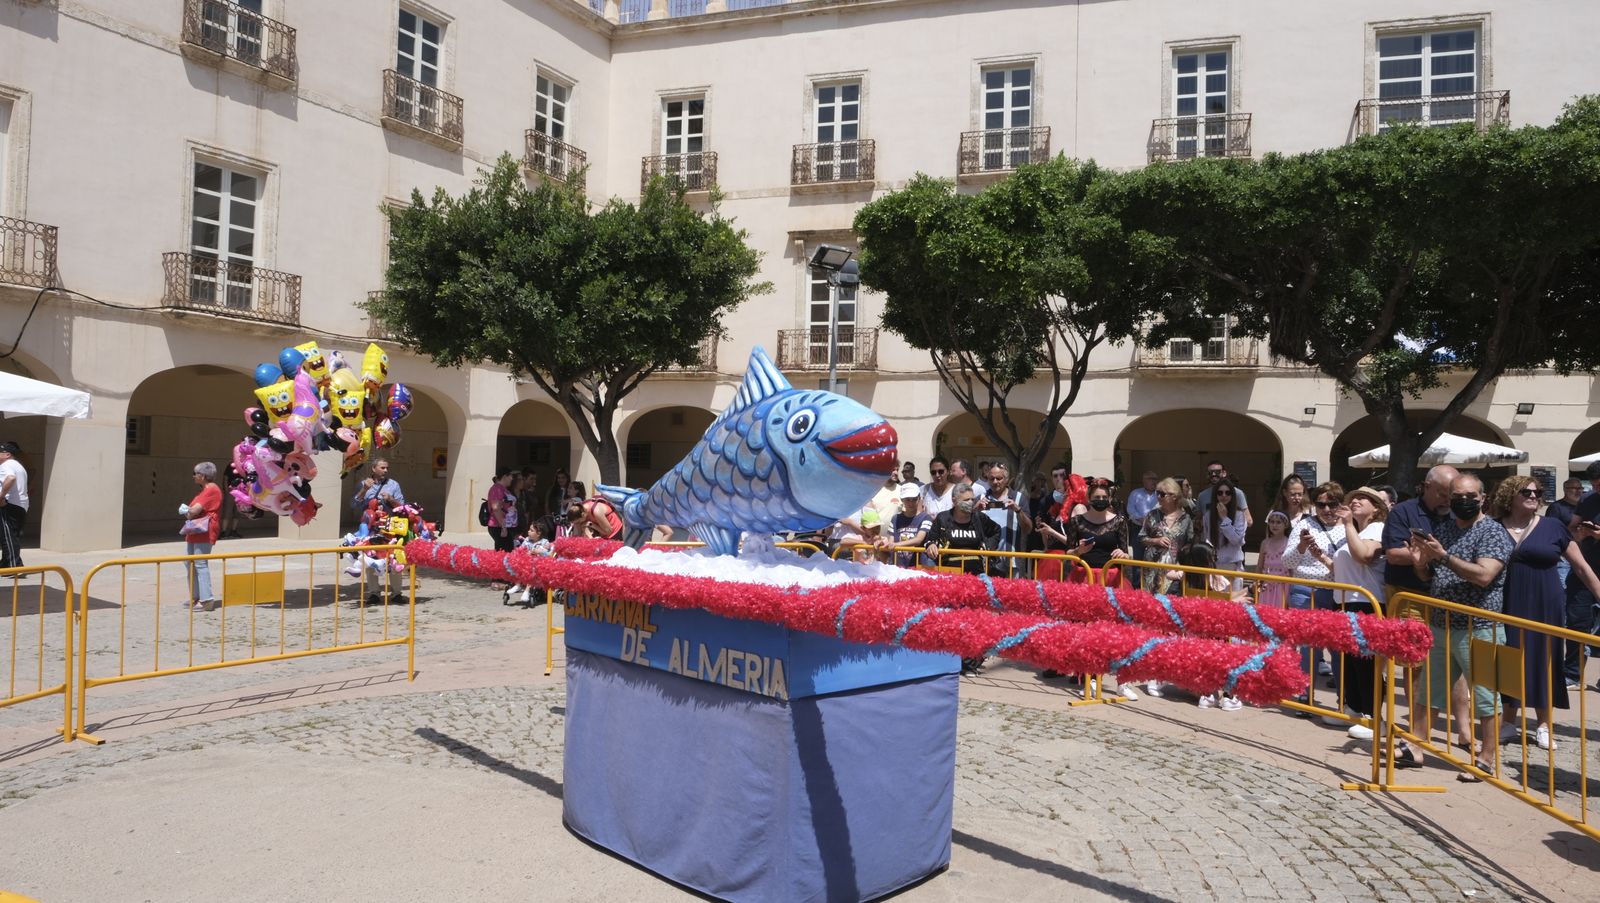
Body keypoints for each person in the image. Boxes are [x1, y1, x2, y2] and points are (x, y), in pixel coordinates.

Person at [1409, 473, 1513, 781]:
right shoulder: (1445, 529)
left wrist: (1444, 556)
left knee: (1485, 695)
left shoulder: (1493, 533)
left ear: (1483, 498)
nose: (1462, 502)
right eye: (1456, 497)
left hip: (1479, 626)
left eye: (1469, 496)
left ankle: (1487, 758)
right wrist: (1420, 562)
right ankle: (1414, 746)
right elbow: (1430, 577)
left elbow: (1484, 575)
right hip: (1442, 624)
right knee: (1429, 691)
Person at [1493, 474, 1600, 751]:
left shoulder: (1553, 526)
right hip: (1507, 600)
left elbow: (1581, 567)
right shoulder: (1493, 527)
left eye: (1537, 492)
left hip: (1545, 601)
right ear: (1510, 496)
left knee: (1545, 656)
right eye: (1526, 492)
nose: (1533, 496)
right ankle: (1508, 720)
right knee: (1510, 655)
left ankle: (1543, 724)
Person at [1330, 486, 1390, 740]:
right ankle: (1353, 708)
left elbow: (1364, 555)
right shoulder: (1357, 530)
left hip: (1366, 603)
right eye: (1353, 498)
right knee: (1349, 661)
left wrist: (1347, 526)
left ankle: (1373, 716)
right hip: (1346, 602)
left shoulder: (1376, 529)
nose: (1355, 501)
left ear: (1376, 508)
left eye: (1363, 499)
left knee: (1365, 663)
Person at [924, 481, 1000, 675]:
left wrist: (989, 547)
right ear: (954, 500)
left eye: (971, 499)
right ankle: (954, 658)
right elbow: (930, 539)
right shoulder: (943, 519)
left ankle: (972, 659)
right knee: (954, 619)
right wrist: (931, 545)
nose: (969, 503)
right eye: (965, 500)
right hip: (951, 577)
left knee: (974, 620)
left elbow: (996, 530)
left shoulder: (979, 519)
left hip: (975, 576)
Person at [1279, 482, 1346, 701]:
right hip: (1305, 590)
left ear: (1339, 504)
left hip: (1335, 592)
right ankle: (1304, 696)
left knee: (1337, 647)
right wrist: (1301, 546)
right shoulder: (1304, 525)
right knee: (1307, 647)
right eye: (1320, 504)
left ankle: (1343, 699)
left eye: (1332, 504)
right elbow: (1286, 561)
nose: (1326, 509)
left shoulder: (1347, 528)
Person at [1045, 478, 1129, 588]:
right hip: (1082, 577)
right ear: (1089, 499)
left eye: (1104, 497)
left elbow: (1127, 556)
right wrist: (1078, 550)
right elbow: (1068, 553)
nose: (1101, 500)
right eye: (1097, 497)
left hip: (1111, 578)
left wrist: (1122, 555)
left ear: (1109, 499)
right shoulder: (1077, 521)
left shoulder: (1120, 521)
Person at [1564, 462, 1600, 691]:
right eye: (1595, 485)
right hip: (1583, 573)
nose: (1597, 489)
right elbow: (1571, 528)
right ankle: (1573, 673)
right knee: (1577, 624)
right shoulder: (1588, 500)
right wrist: (1580, 531)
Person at [1136, 477, 1194, 597]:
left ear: (1174, 496)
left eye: (1162, 494)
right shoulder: (1152, 515)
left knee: (1171, 602)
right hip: (1152, 567)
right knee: (1150, 602)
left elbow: (1190, 542)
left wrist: (1182, 562)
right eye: (1157, 493)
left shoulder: (1185, 518)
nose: (1158, 497)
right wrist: (1155, 540)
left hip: (1174, 568)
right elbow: (1141, 538)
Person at [181, 461, 223, 611]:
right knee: (189, 563)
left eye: (195, 473)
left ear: (203, 476)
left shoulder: (211, 490)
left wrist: (187, 511)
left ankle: (206, 600)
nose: (193, 476)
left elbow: (193, 511)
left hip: (204, 530)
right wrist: (189, 511)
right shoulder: (204, 490)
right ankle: (195, 596)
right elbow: (192, 511)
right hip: (195, 530)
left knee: (200, 563)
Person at [978, 462, 1032, 575]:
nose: (995, 482)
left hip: (1011, 562)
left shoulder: (1018, 498)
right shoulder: (981, 498)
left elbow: (1028, 529)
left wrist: (1018, 510)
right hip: (985, 561)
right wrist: (975, 508)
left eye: (999, 478)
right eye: (991, 478)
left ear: (1006, 479)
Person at [1202, 477, 1248, 585]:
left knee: (1234, 601)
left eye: (1228, 493)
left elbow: (1236, 540)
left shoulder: (1239, 515)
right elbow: (1206, 539)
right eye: (1220, 493)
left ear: (1232, 495)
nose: (1224, 496)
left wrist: (1224, 519)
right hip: (1215, 566)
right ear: (1215, 495)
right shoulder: (1208, 515)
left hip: (1233, 567)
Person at [880, 482, 932, 568]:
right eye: (908, 499)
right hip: (897, 567)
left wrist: (896, 545)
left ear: (919, 499)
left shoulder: (925, 517)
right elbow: (891, 541)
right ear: (902, 499)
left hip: (917, 568)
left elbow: (918, 540)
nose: (911, 503)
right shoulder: (895, 519)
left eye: (914, 499)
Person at [1547, 477, 1584, 589]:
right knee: (1563, 587)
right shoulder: (1556, 507)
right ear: (1565, 489)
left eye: (1580, 488)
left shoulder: (1585, 506)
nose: (1578, 491)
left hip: (1584, 554)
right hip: (1565, 555)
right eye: (1574, 488)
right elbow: (1551, 531)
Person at [1197, 460, 1251, 528]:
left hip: (1231, 537)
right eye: (1210, 472)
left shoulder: (1237, 493)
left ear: (1224, 473)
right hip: (1209, 537)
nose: (1213, 474)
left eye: (1217, 472)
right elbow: (1198, 520)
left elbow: (1249, 521)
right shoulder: (1202, 496)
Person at [0, 441, 29, 569]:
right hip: (20, 505)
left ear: (7, 454)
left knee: (8, 536)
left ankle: (14, 565)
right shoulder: (17, 465)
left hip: (9, 504)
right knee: (11, 535)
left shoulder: (6, 465)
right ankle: (7, 562)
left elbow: (10, 478)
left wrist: (1, 496)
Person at [351, 459, 405, 525]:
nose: (386, 470)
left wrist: (391, 499)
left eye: (387, 468)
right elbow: (354, 505)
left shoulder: (394, 485)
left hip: (388, 525)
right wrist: (364, 490)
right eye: (383, 468)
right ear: (373, 468)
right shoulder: (363, 484)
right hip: (369, 525)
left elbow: (402, 507)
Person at [1256, 510, 1292, 609]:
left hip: (1282, 586)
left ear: (1286, 525)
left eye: (1278, 522)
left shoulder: (1289, 543)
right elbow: (1259, 566)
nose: (1274, 525)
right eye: (1272, 522)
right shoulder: (1265, 543)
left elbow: (1292, 569)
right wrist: (1257, 584)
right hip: (1266, 586)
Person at [1126, 471, 1160, 562]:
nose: (1154, 481)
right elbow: (1130, 509)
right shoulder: (1135, 493)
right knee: (1138, 558)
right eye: (1151, 479)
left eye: (1155, 479)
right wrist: (1142, 520)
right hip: (1138, 528)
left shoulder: (1160, 495)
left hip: (1156, 530)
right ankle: (1137, 576)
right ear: (1144, 481)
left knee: (1155, 557)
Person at [487, 467, 519, 560]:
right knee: (504, 554)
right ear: (505, 476)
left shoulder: (503, 489)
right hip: (499, 526)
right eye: (510, 476)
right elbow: (496, 508)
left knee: (507, 552)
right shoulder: (496, 489)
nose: (512, 479)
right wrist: (503, 527)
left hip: (505, 526)